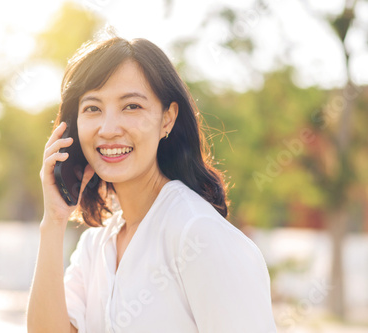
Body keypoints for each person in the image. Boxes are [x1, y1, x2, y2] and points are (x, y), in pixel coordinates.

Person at [27, 35, 277, 333]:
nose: (108, 129)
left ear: (167, 119)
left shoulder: (197, 234)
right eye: (93, 108)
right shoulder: (95, 248)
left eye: (131, 106)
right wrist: (53, 222)